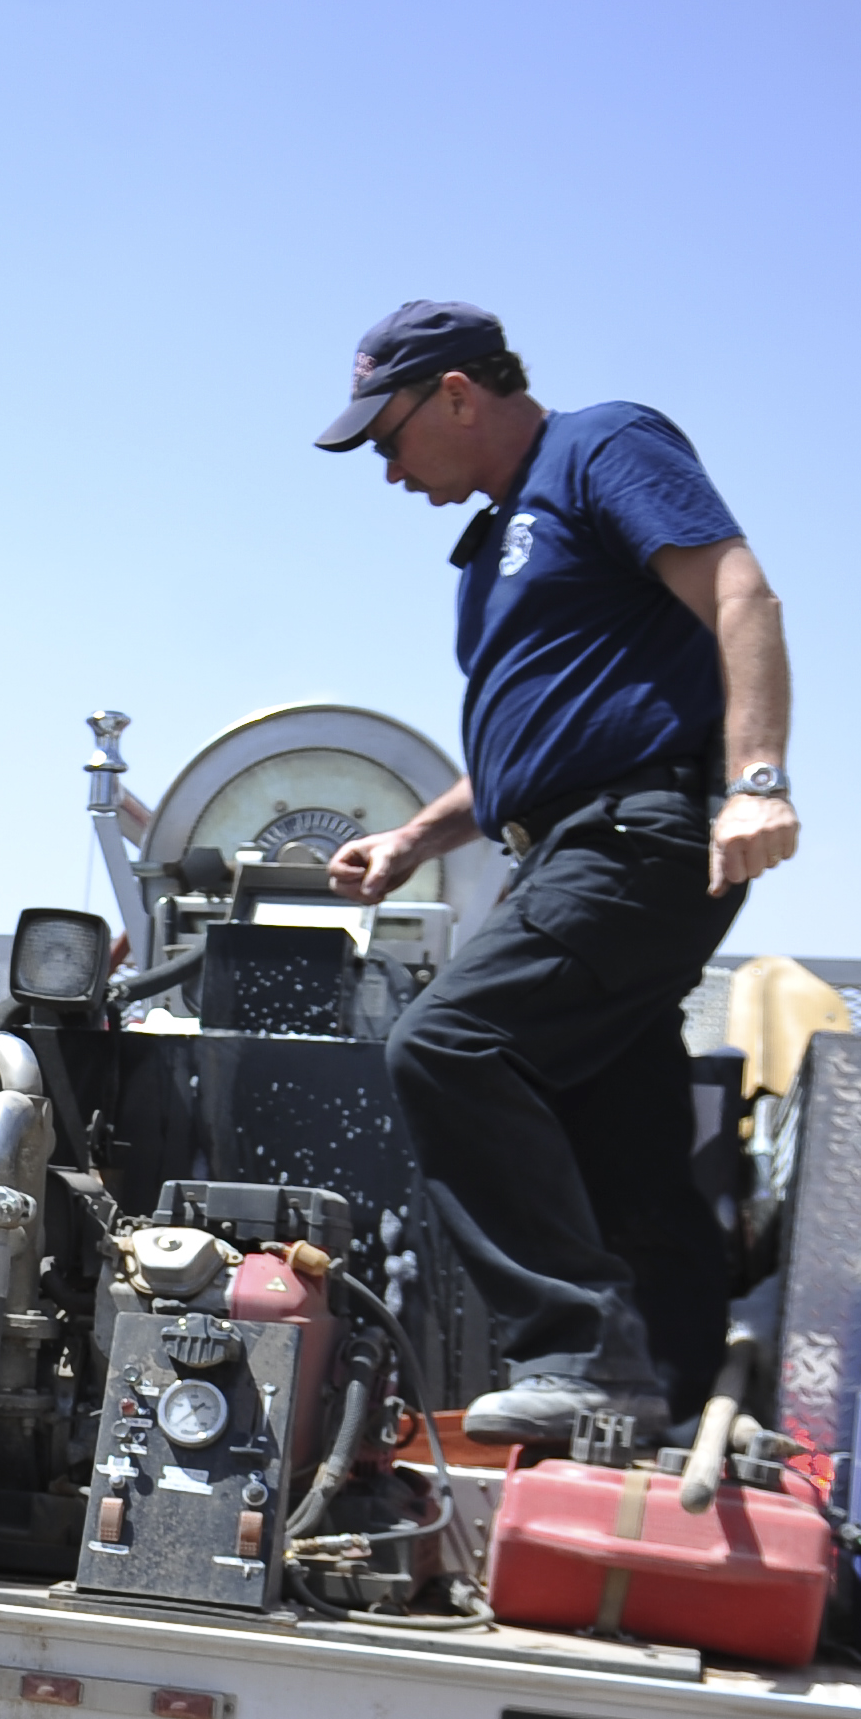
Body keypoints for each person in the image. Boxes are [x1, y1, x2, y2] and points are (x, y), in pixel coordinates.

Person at [315, 300, 801, 1444]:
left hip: (640, 838)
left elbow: (741, 591)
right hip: (569, 844)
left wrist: (759, 780)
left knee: (446, 1046)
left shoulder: (603, 447)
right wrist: (416, 838)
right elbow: (538, 753)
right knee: (618, 1134)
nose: (384, 472)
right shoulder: (492, 549)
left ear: (455, 393)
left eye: (385, 439)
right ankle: (678, 1394)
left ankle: (582, 1353)